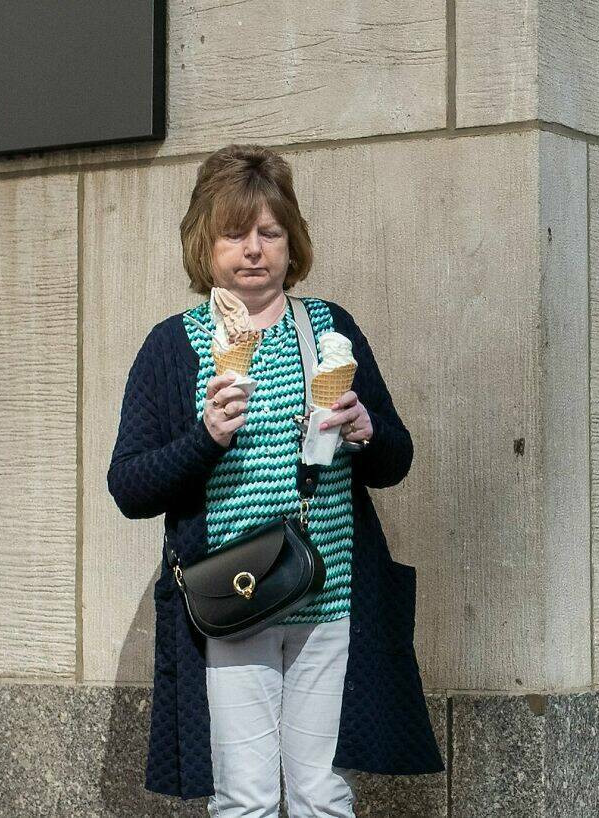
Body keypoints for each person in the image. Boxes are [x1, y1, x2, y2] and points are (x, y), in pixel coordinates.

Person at [107, 144, 444, 816]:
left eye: (270, 232)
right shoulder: (172, 346)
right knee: (247, 799)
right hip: (230, 603)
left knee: (323, 794)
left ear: (293, 244)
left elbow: (396, 460)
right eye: (234, 234)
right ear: (205, 245)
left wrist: (365, 429)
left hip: (331, 594)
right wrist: (205, 437)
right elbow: (130, 486)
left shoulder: (329, 328)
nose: (253, 250)